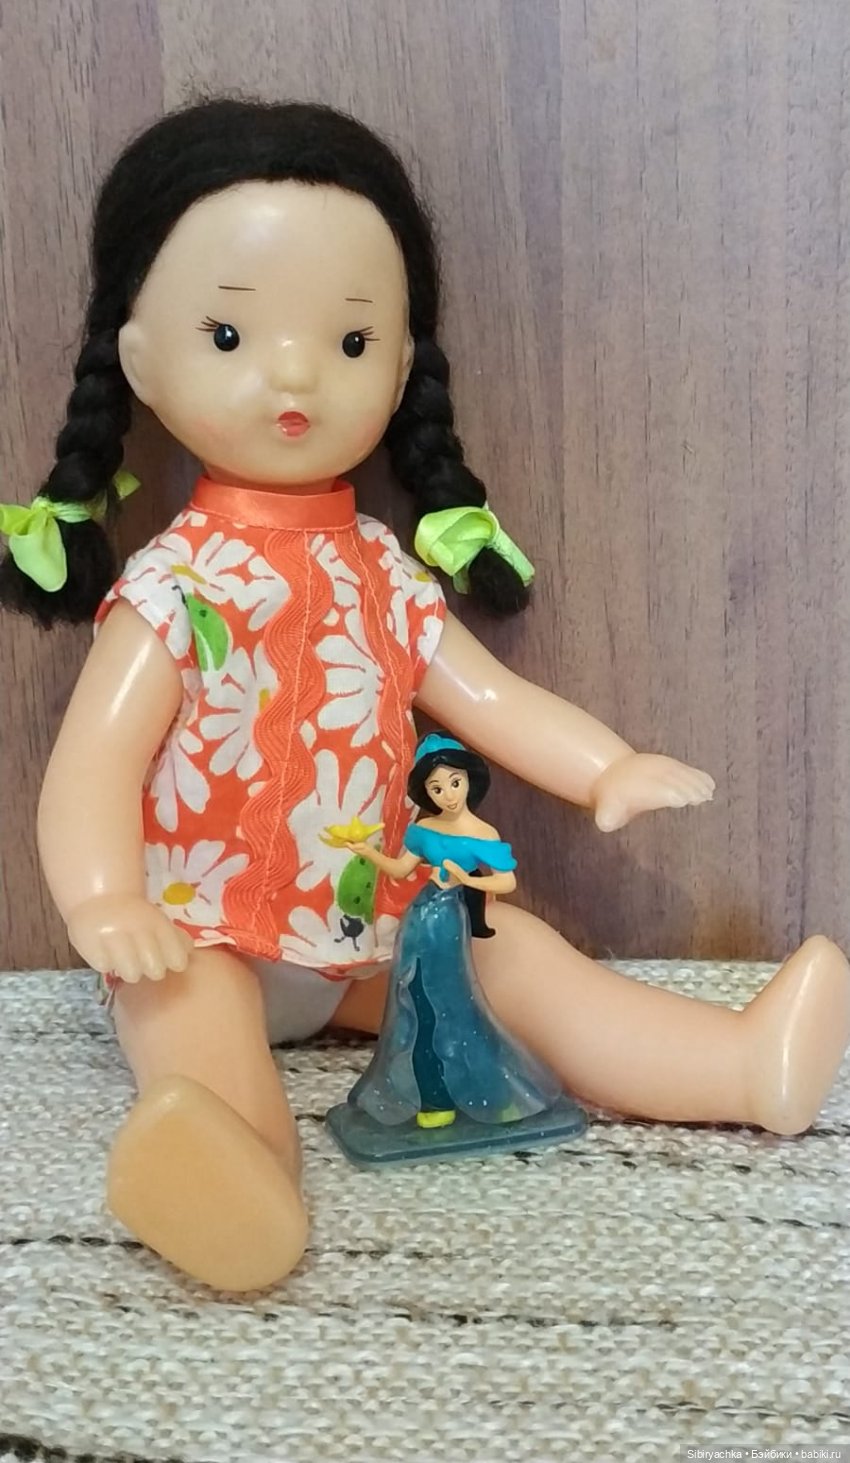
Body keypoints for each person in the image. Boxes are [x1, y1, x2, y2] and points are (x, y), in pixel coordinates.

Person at [1, 99, 847, 1292]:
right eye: (231, 335)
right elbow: (92, 764)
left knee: (520, 957)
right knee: (201, 1038)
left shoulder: (386, 575)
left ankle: (738, 1066)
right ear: (140, 360)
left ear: (399, 367)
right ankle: (237, 1186)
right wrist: (102, 899)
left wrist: (605, 766)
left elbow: (486, 695)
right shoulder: (175, 585)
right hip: (197, 929)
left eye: (350, 342)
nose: (295, 373)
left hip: (369, 924)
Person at [343, 733, 566, 1130]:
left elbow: (506, 881)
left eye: (455, 782)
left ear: (469, 781)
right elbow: (400, 869)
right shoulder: (424, 829)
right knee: (416, 1006)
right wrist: (369, 853)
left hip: (450, 920)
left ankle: (491, 1092)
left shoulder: (483, 833)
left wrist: (469, 880)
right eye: (437, 788)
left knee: (454, 1002)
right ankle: (433, 1096)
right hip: (420, 918)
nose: (448, 795)